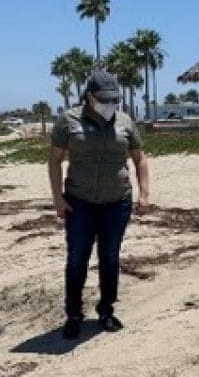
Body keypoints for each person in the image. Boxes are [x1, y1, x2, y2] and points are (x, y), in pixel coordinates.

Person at [48, 69, 150, 339]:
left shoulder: (125, 122)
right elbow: (55, 160)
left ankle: (106, 310)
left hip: (117, 204)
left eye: (113, 99)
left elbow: (139, 159)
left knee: (109, 257)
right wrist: (58, 198)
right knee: (77, 259)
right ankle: (73, 314)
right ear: (89, 96)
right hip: (79, 204)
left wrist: (144, 195)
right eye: (103, 99)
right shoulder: (68, 121)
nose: (109, 104)